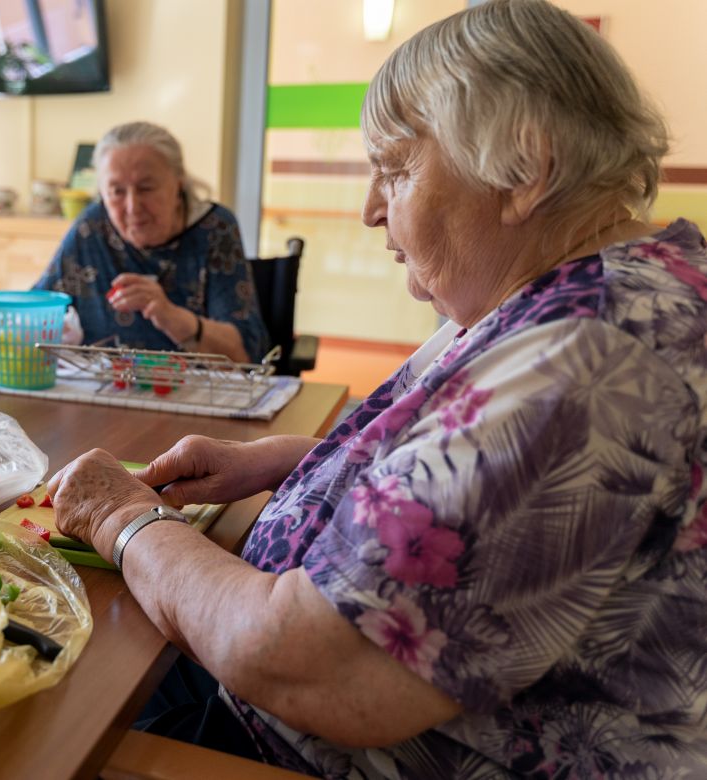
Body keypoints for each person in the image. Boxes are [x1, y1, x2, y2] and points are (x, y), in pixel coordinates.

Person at [46, 1, 707, 777]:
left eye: (394, 169)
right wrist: (280, 461)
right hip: (268, 684)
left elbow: (313, 668)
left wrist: (125, 520)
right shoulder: (596, 291)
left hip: (283, 737)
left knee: (27, 721)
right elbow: (453, 471)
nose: (369, 208)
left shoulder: (589, 358)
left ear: (525, 169)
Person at [33, 121, 270, 363]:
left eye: (146, 188)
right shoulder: (92, 226)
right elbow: (33, 310)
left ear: (178, 184)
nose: (133, 207)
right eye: (117, 191)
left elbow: (245, 357)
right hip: (101, 392)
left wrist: (170, 316)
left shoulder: (214, 228)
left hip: (194, 395)